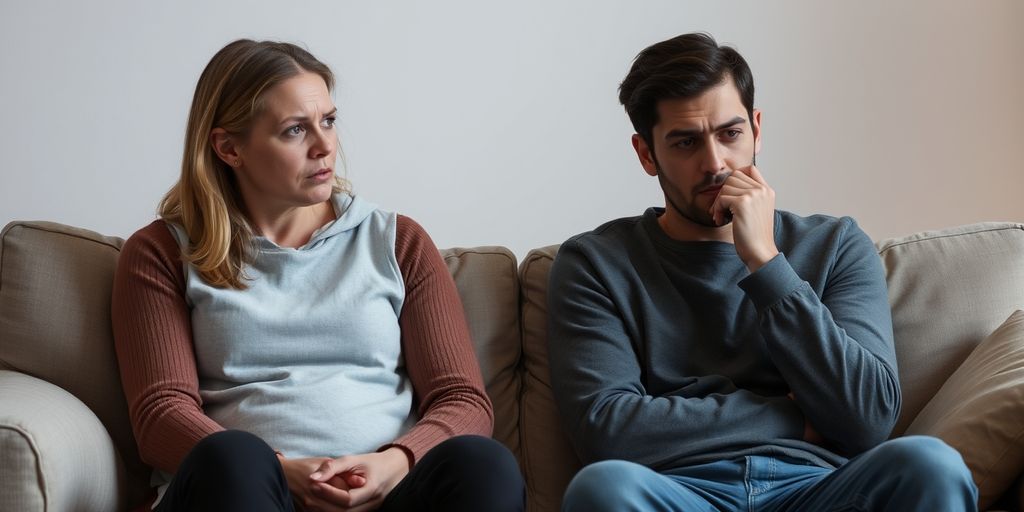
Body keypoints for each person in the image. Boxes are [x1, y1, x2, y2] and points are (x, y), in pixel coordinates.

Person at [547, 32, 978, 511]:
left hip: (820, 491)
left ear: (756, 128)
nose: (715, 163)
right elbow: (607, 432)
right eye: (686, 142)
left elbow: (869, 416)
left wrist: (766, 262)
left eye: (730, 134)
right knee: (603, 489)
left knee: (931, 465)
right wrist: (795, 417)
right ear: (647, 154)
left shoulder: (835, 245)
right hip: (680, 494)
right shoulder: (595, 263)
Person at [112, 39, 524, 512]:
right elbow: (161, 416)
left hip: (386, 493)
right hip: (248, 493)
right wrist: (281, 470)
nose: (325, 145)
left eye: (328, 120)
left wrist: (395, 462)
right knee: (233, 459)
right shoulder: (162, 252)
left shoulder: (398, 241)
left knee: (483, 465)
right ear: (229, 148)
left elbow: (463, 398)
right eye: (294, 130)